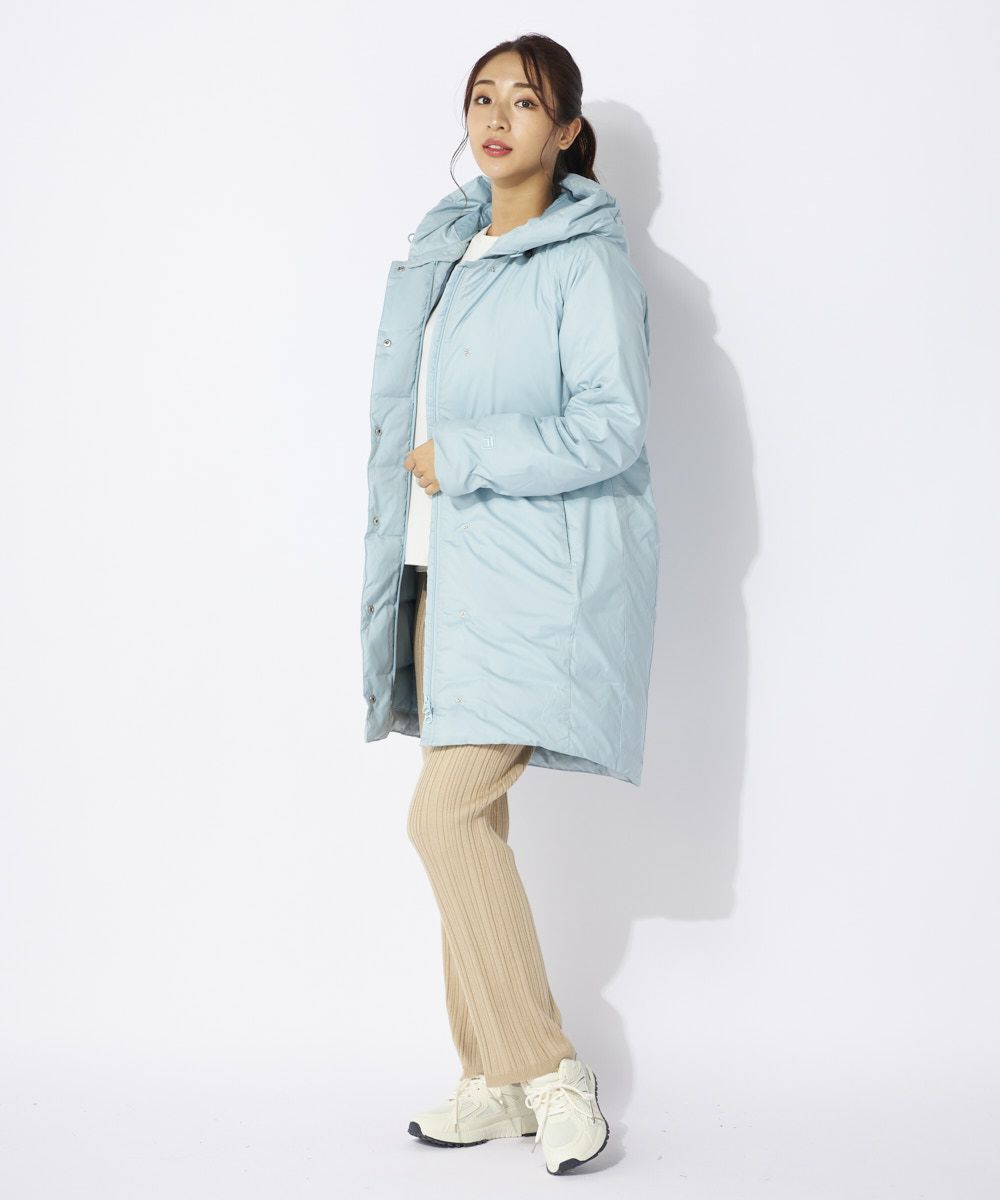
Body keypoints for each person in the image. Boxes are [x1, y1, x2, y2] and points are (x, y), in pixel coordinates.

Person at [360, 33, 659, 1175]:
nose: (495, 118)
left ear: (567, 131)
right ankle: (489, 1076)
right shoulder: (449, 252)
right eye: (481, 97)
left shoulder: (584, 266)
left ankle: (550, 1070)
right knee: (469, 825)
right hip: (447, 576)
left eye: (523, 102)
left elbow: (611, 426)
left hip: (538, 584)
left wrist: (470, 455)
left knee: (441, 817)